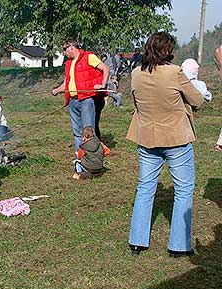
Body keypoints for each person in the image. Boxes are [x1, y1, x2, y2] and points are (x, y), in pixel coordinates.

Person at [126, 32, 204, 257]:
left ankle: (137, 242)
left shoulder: (136, 74)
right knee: (183, 190)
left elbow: (136, 102)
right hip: (176, 139)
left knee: (145, 188)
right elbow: (198, 99)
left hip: (147, 138)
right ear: (168, 50)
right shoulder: (175, 72)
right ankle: (179, 246)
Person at [52, 39, 110, 152]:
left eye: (65, 49)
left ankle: (92, 157)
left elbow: (105, 68)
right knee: (77, 132)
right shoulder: (68, 63)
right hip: (73, 101)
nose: (64, 52)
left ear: (71, 47)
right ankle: (79, 156)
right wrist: (57, 90)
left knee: (88, 132)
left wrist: (103, 84)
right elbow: (67, 83)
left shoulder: (89, 57)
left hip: (86, 100)